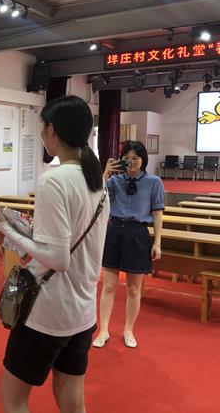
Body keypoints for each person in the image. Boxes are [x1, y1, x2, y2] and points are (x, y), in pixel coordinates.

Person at [0, 95, 110, 413]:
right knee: (72, 399)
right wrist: (22, 227)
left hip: (49, 311)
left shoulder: (54, 180)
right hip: (83, 311)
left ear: (52, 130)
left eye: (42, 127)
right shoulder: (97, 183)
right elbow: (66, 243)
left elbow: (58, 259)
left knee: (13, 399)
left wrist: (8, 231)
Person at [91, 140, 163, 349]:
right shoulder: (114, 181)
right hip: (114, 231)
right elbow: (96, 198)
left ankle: (128, 329)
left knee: (133, 288)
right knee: (108, 286)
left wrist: (157, 243)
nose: (131, 162)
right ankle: (103, 330)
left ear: (143, 160)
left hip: (138, 234)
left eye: (135, 158)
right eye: (127, 158)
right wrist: (105, 173)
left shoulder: (154, 182)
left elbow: (157, 214)